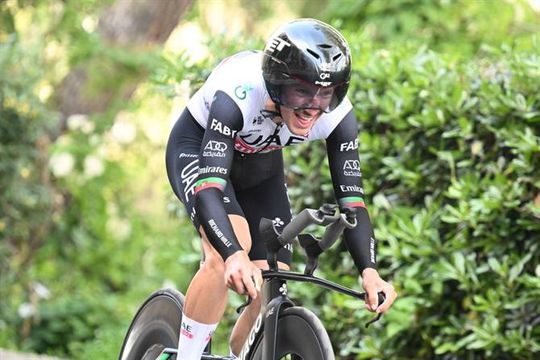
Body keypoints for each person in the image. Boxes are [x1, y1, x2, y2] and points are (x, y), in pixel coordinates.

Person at [165, 18, 397, 359]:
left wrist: (371, 272)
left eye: (325, 93)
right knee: (229, 249)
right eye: (301, 91)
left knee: (273, 278)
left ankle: (240, 354)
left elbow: (353, 204)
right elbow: (209, 191)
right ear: (276, 85)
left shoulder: (336, 116)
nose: (312, 107)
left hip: (261, 165)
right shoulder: (238, 94)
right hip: (197, 149)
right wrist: (232, 255)